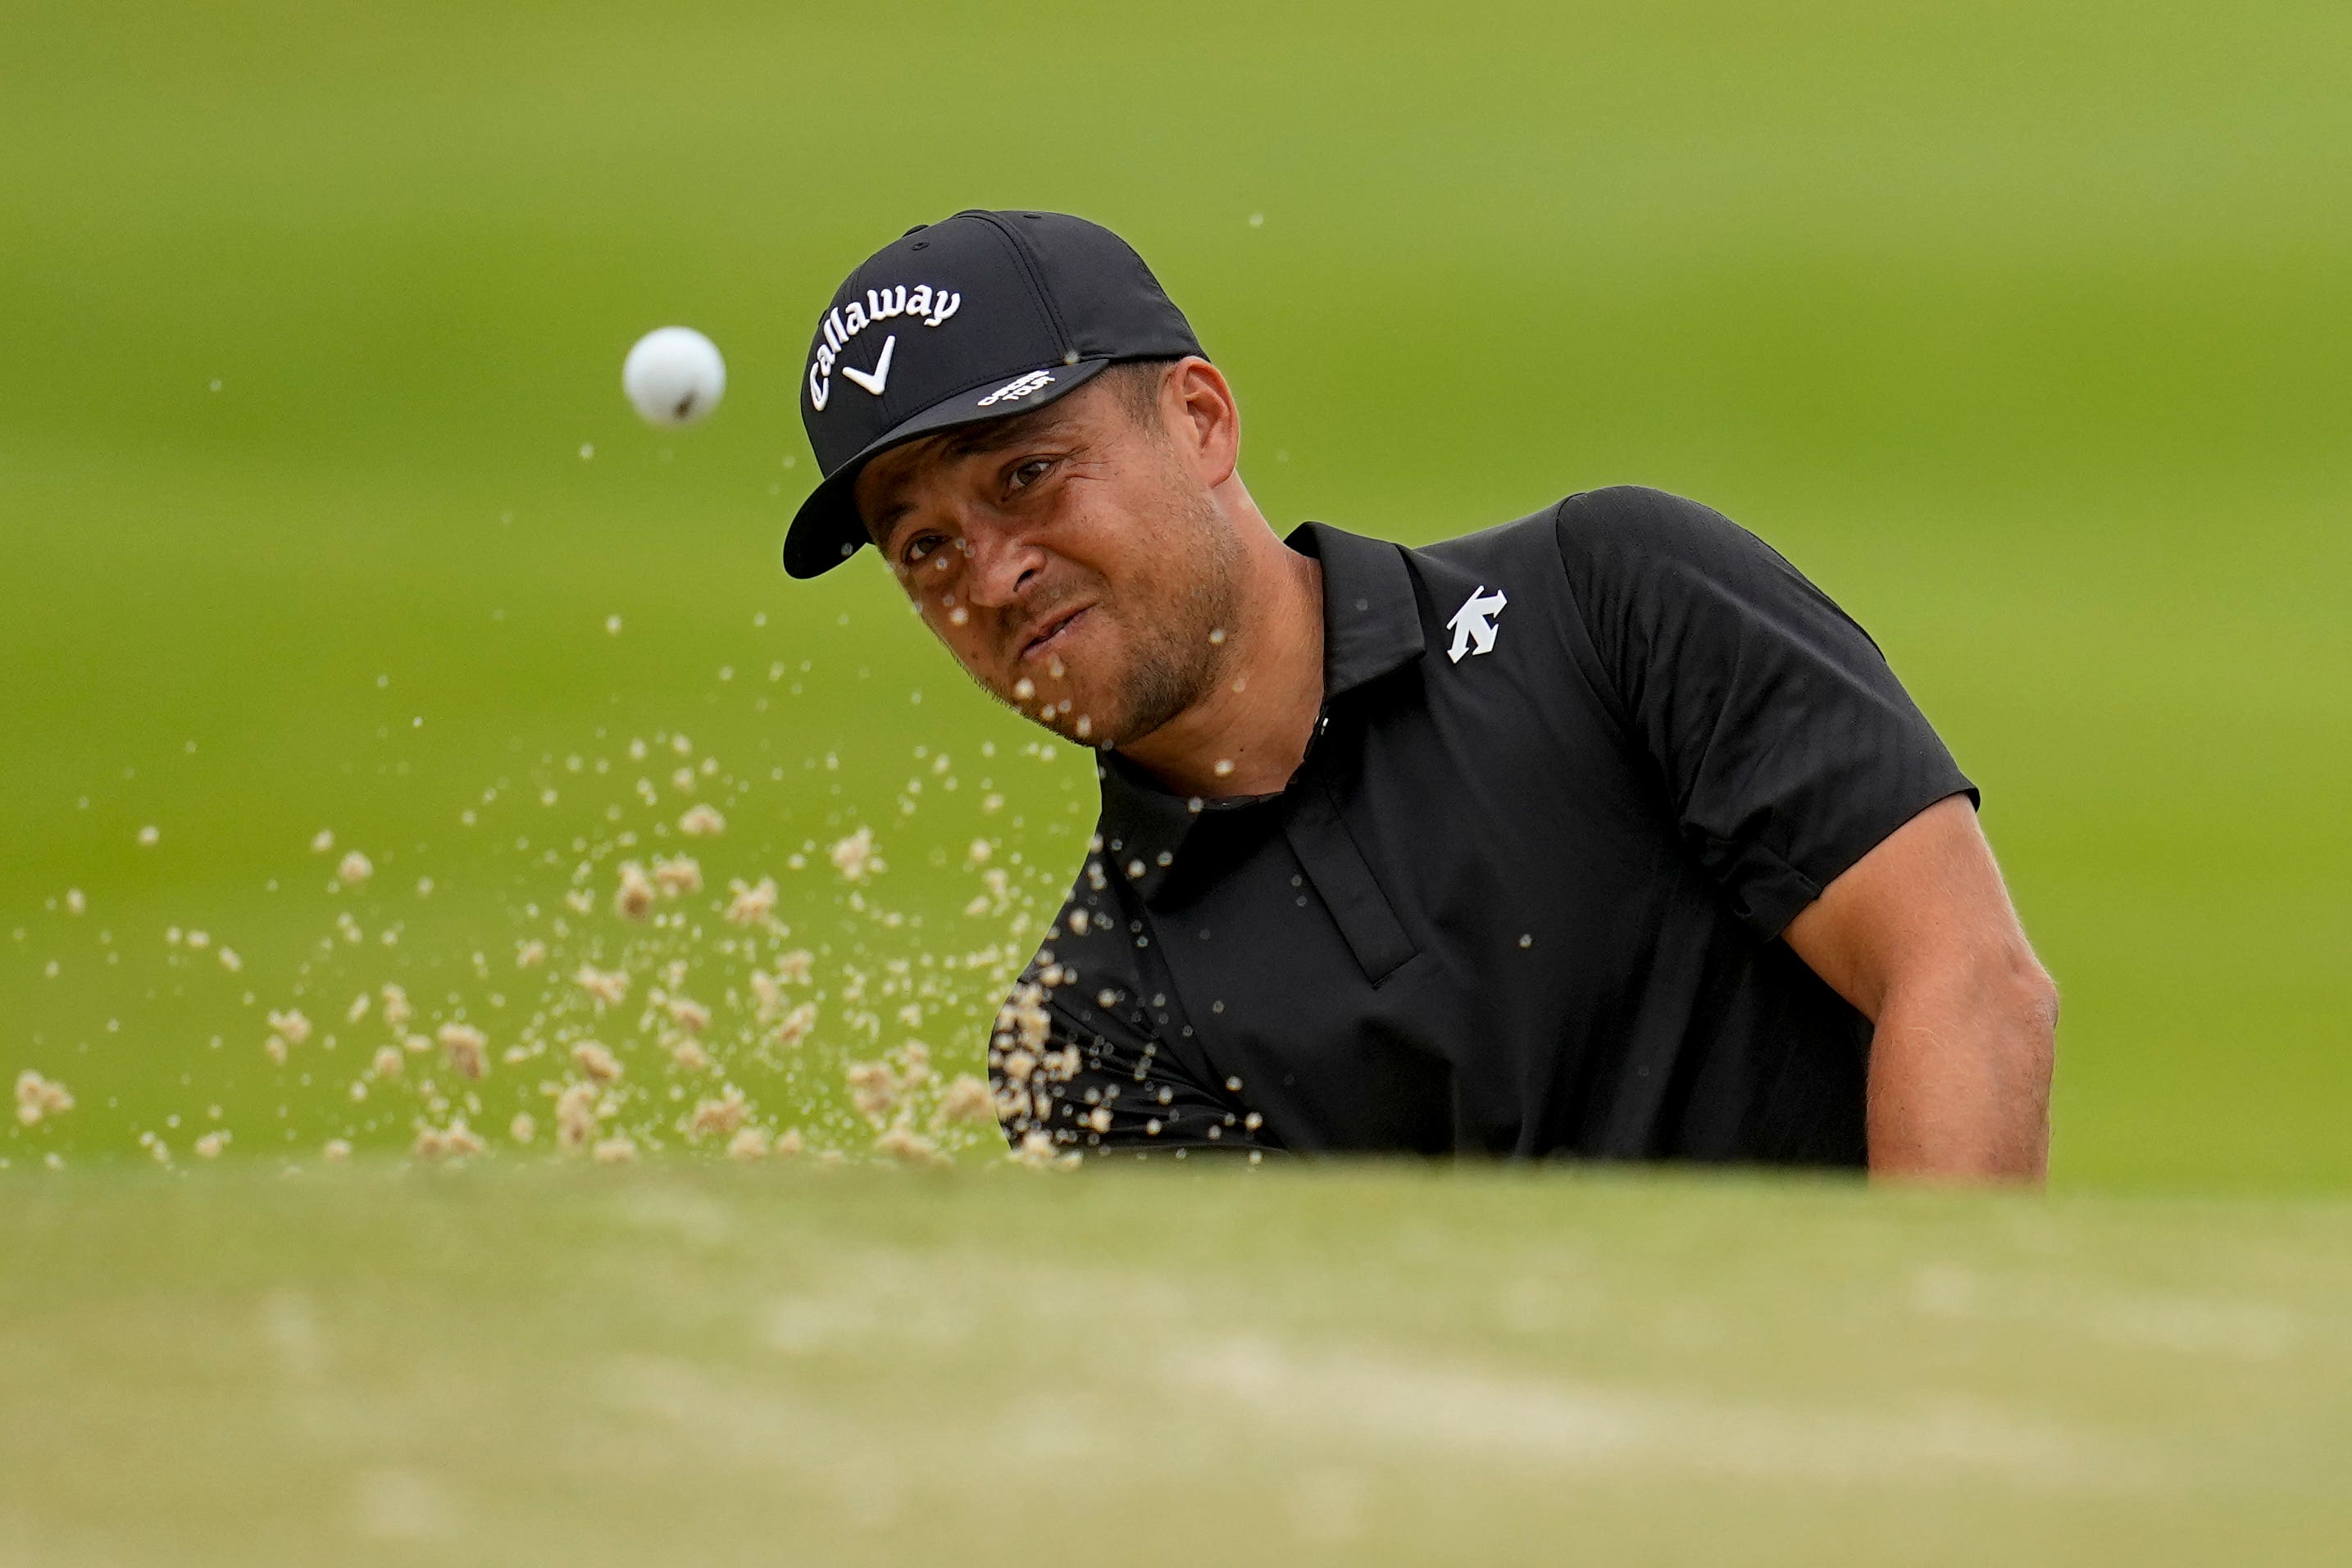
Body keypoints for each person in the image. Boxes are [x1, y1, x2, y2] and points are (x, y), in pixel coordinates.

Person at [783, 209, 2057, 1179]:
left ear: (1200, 417)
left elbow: (1961, 976)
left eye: (1025, 476)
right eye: (925, 548)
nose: (992, 575)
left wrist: (1926, 1394)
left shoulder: (1612, 599)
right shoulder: (1096, 1029)